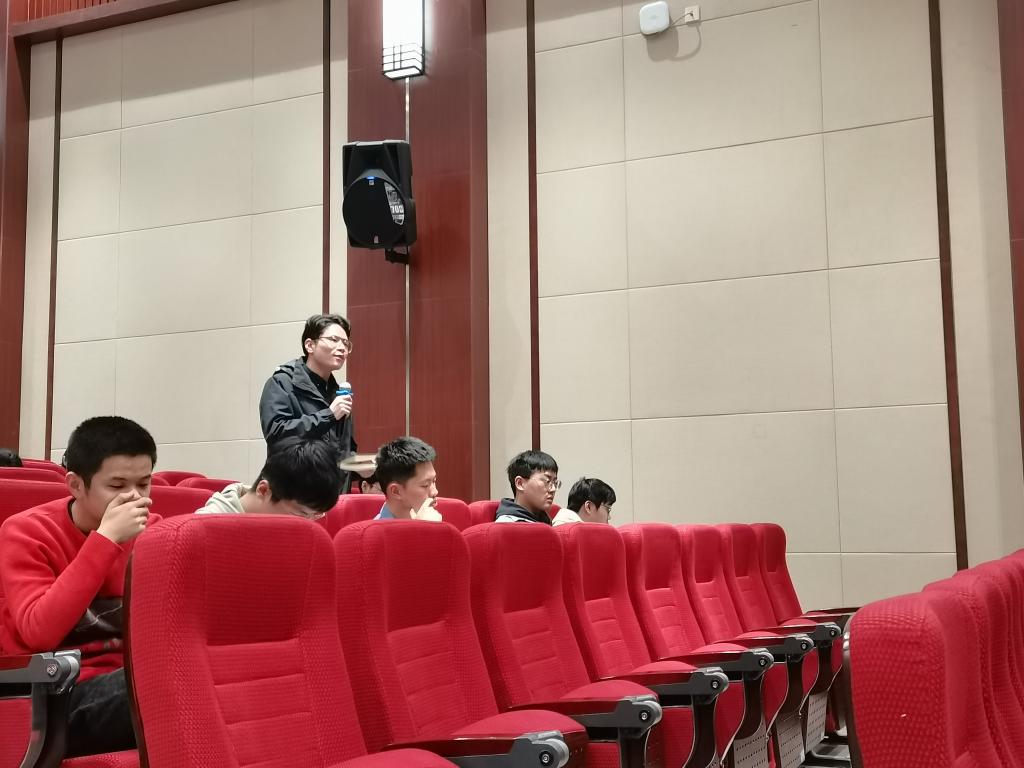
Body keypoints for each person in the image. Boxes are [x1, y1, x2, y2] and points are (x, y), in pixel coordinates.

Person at [0, 416, 158, 757]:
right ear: (75, 485)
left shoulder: (154, 535)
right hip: (51, 696)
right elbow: (39, 633)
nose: (134, 498)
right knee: (162, 685)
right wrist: (106, 540)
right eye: (117, 486)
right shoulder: (26, 532)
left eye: (144, 484)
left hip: (124, 681)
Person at [259, 313, 357, 471]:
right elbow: (276, 434)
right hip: (293, 483)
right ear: (310, 345)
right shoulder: (282, 383)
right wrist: (329, 415)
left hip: (331, 485)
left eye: (346, 343)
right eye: (334, 340)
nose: (342, 348)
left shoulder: (339, 394)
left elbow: (342, 450)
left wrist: (360, 469)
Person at [196, 437, 343, 519]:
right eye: (301, 515)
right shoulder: (205, 526)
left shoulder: (300, 512)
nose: (308, 524)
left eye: (316, 516)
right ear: (263, 490)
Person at [373, 437, 440, 521]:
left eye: (434, 481)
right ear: (396, 491)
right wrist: (425, 527)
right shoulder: (376, 529)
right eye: (425, 485)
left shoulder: (433, 518)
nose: (435, 492)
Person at [495, 450, 559, 524]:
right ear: (520, 483)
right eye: (547, 481)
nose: (553, 489)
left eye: (555, 482)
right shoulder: (507, 525)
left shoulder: (545, 520)